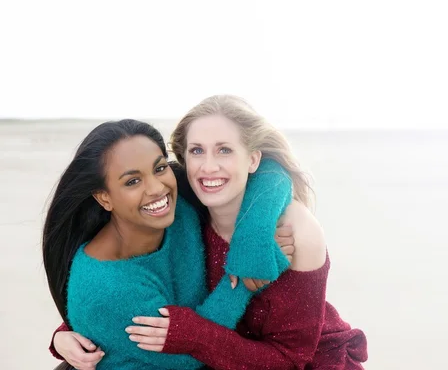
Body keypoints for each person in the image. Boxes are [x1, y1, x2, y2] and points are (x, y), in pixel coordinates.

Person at [124, 95, 368, 368]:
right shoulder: (181, 207)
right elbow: (122, 267)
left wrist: (195, 335)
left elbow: (290, 361)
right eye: (196, 151)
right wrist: (71, 331)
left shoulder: (295, 230)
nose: (208, 167)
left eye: (224, 150)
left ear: (253, 160)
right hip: (218, 357)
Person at [43, 118, 295, 369]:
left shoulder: (179, 207)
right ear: (104, 198)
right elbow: (188, 357)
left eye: (159, 168)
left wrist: (253, 239)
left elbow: (271, 171)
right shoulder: (106, 288)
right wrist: (243, 282)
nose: (156, 188)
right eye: (132, 181)